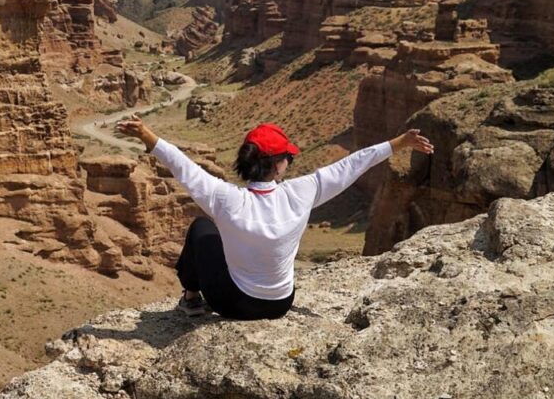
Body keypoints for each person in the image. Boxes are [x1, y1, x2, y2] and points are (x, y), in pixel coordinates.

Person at [114, 116, 434, 320]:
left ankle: (191, 298)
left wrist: (148, 136)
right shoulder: (301, 192)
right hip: (280, 303)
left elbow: (184, 168)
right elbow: (350, 167)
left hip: (233, 304)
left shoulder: (226, 198)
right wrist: (398, 144)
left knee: (201, 228)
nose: (290, 162)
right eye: (287, 157)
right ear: (279, 164)